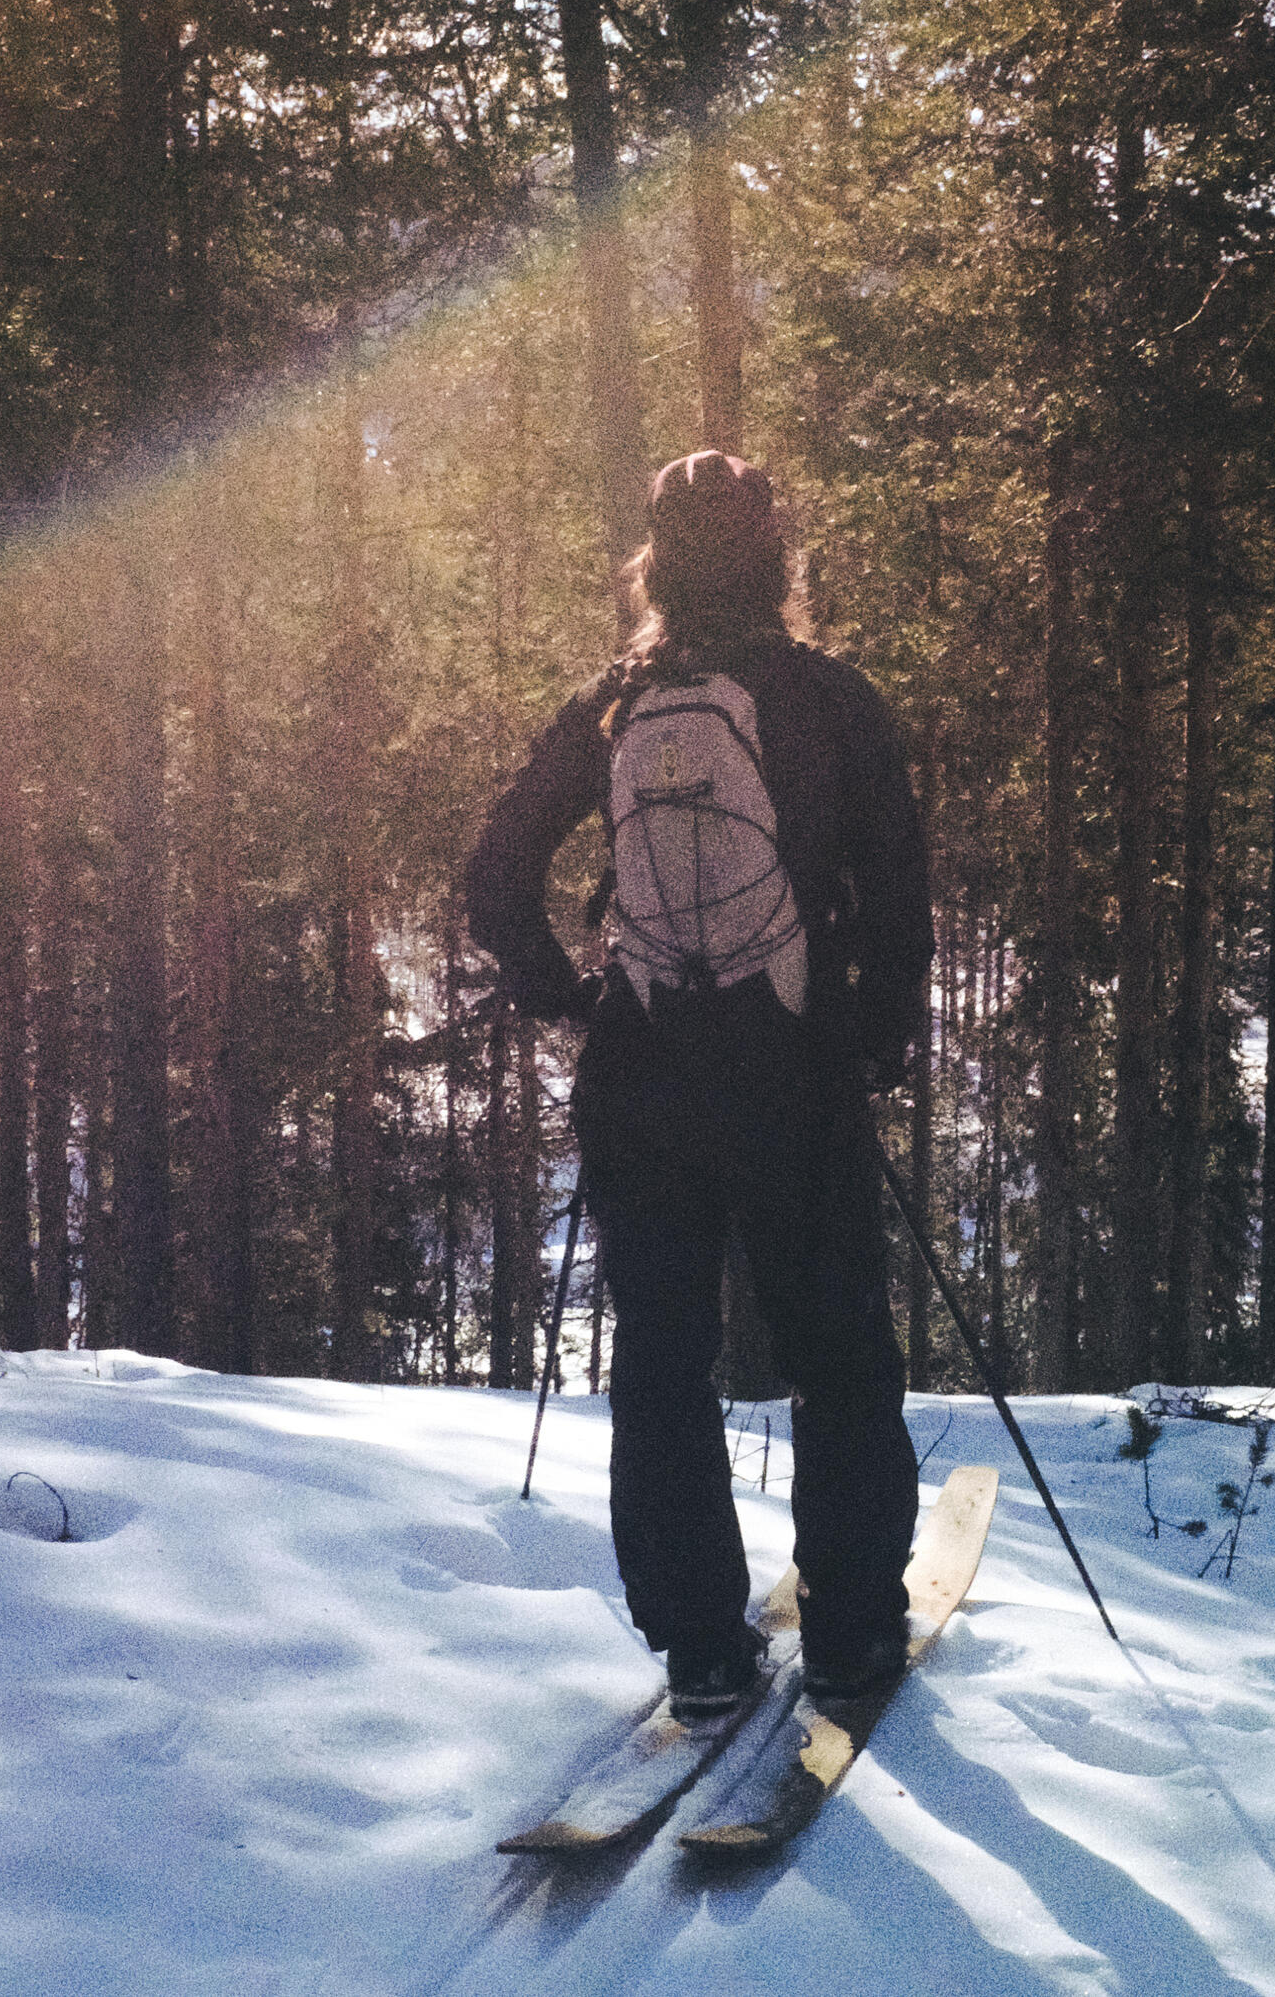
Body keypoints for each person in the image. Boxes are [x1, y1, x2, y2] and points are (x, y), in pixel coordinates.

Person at [465, 449, 932, 1717]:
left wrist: (571, 992)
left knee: (663, 1362)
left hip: (646, 1072)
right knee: (838, 1354)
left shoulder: (613, 705)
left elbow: (494, 875)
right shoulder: (831, 698)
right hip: (792, 1071)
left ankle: (701, 1646)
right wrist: (879, 1031)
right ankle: (851, 1630)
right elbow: (896, 893)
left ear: (654, 566)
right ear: (777, 556)